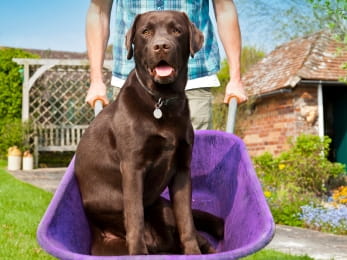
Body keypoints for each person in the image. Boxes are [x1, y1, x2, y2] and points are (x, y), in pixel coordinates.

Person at [85, 0, 247, 130]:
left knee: (195, 162)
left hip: (193, 79)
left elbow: (224, 8)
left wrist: (235, 78)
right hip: (132, 83)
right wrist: (96, 80)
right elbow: (99, 12)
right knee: (132, 160)